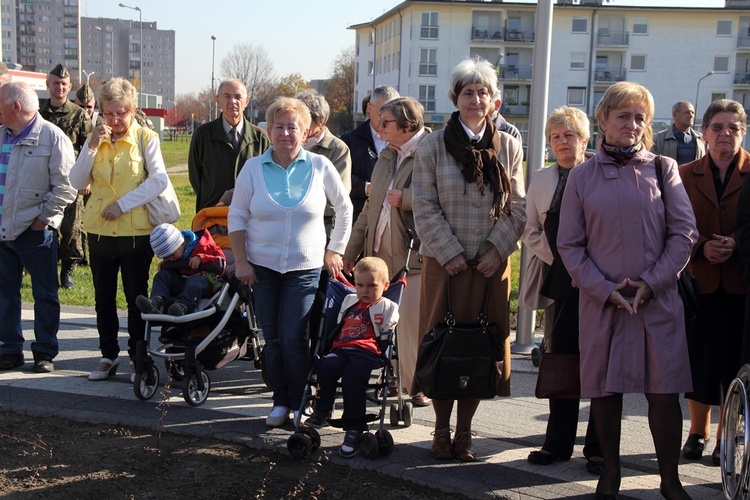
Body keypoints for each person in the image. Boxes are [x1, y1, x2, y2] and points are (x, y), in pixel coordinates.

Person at [557, 81, 697, 500]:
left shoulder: (663, 169)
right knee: (604, 389)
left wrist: (652, 283)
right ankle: (610, 475)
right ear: (602, 120)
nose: (633, 125)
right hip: (604, 304)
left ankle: (670, 481)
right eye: (624, 116)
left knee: (663, 391)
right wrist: (603, 289)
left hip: (657, 301)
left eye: (640, 118)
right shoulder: (581, 176)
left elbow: (684, 232)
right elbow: (569, 244)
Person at [413, 57, 526, 462]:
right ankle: (440, 432)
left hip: (492, 266)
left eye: (483, 93)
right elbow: (423, 207)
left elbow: (519, 206)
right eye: (468, 92)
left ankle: (465, 434)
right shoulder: (431, 145)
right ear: (455, 99)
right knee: (444, 347)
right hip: (446, 268)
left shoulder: (509, 146)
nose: (476, 99)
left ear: (494, 101)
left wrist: (497, 250)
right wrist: (452, 254)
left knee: (482, 349)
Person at [228, 97, 352, 428]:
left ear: (306, 131)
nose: (286, 133)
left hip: (304, 268)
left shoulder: (319, 166)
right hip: (261, 268)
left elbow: (345, 208)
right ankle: (280, 401)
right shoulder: (253, 168)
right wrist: (241, 260)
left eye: (292, 127)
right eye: (279, 127)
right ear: (269, 131)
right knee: (273, 338)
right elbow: (237, 216)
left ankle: (301, 401)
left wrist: (335, 249)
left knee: (295, 336)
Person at [70, 77, 169, 383]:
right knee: (103, 299)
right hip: (99, 232)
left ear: (132, 110)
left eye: (120, 113)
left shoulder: (146, 138)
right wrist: (90, 145)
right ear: (100, 111)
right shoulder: (95, 138)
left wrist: (123, 205)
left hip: (135, 233)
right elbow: (75, 181)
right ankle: (107, 355)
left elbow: (159, 180)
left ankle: (137, 358)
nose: (114, 120)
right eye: (108, 113)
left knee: (136, 297)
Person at [521, 106, 603, 474]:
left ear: (585, 140)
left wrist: (585, 266)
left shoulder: (602, 174)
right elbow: (531, 230)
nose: (562, 142)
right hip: (559, 279)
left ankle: (600, 448)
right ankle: (556, 444)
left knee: (600, 363)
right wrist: (562, 259)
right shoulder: (540, 178)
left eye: (569, 135)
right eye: (555, 137)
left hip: (599, 282)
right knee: (563, 361)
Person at [344, 96, 430, 407]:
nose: (379, 128)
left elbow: (440, 197)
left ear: (407, 124)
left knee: (410, 323)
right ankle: (391, 380)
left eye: (386, 122)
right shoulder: (387, 154)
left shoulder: (430, 151)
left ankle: (416, 384)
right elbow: (370, 208)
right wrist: (352, 251)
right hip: (379, 254)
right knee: (383, 320)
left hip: (412, 256)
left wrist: (405, 198)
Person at [678, 99, 749, 466]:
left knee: (734, 362)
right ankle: (697, 431)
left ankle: (726, 434)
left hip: (741, 284)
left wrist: (737, 244)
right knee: (698, 361)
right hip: (699, 284)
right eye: (718, 127)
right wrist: (703, 247)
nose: (725, 135)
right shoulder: (685, 173)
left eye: (734, 128)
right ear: (704, 133)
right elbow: (674, 226)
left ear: (744, 131)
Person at [0, 82, 77, 373]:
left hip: (35, 234)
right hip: (3, 231)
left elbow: (66, 187)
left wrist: (42, 219)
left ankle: (44, 352)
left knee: (45, 293)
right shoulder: (1, 134)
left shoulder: (52, 137)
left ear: (15, 107)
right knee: (5, 293)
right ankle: (9, 350)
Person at [306, 257, 399, 457]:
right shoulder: (349, 300)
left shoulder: (387, 306)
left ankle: (355, 426)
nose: (365, 291)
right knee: (326, 365)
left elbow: (388, 330)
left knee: (352, 377)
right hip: (341, 348)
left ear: (385, 285)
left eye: (371, 286)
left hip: (366, 351)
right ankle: (322, 410)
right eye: (360, 285)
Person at [39, 64, 89, 289]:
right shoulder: (38, 114)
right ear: (48, 84)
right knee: (45, 226)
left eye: (63, 84)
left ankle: (66, 272)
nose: (59, 87)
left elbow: (89, 149)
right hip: (41, 180)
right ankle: (46, 268)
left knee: (71, 228)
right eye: (55, 83)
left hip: (70, 180)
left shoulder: (78, 114)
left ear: (69, 87)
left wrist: (86, 179)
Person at [189, 79, 270, 212]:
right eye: (227, 96)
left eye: (238, 97)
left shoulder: (260, 138)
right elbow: (195, 178)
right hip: (211, 215)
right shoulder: (202, 135)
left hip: (250, 216)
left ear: (247, 101)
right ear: (218, 100)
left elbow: (266, 178)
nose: (232, 101)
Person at [135, 222, 226, 318]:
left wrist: (202, 258)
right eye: (166, 257)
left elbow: (221, 263)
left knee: (195, 281)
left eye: (171, 255)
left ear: (181, 243)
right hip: (182, 283)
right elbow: (172, 267)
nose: (170, 259)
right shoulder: (176, 256)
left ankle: (182, 306)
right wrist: (166, 265)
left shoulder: (204, 246)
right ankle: (157, 301)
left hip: (204, 285)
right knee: (162, 276)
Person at [295, 89, 351, 236]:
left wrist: (295, 202)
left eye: (304, 117)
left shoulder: (337, 149)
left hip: (322, 230)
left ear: (321, 120)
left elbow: (337, 199)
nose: (298, 122)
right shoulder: (287, 144)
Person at [341, 85, 400, 221]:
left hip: (394, 221)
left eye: (392, 115)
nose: (384, 120)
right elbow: (340, 178)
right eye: (381, 113)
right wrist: (367, 188)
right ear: (369, 108)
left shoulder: (405, 142)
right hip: (359, 219)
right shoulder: (350, 141)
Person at [651, 101, 706, 165]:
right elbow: (652, 163)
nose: (691, 116)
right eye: (687, 112)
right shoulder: (660, 139)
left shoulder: (701, 139)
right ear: (675, 114)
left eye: (693, 113)